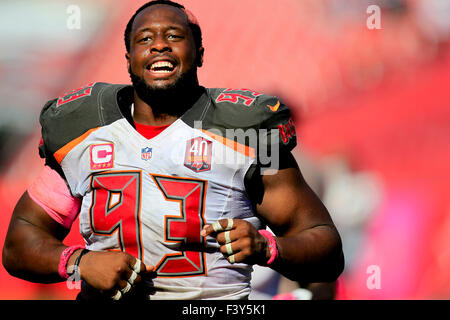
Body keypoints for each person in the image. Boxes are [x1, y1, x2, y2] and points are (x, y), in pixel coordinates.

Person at [2, 0, 344, 300]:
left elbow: (325, 246)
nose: (159, 46)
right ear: (129, 58)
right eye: (145, 39)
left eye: (174, 36)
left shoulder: (245, 135)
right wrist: (79, 262)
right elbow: (20, 241)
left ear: (199, 53)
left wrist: (267, 247)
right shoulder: (83, 135)